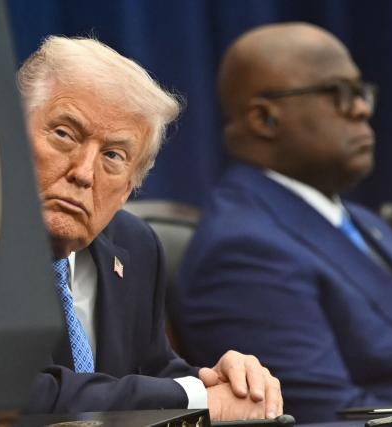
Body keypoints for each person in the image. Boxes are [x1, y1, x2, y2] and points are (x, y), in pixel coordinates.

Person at [171, 23, 392, 423]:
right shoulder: (243, 250)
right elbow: (331, 418)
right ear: (264, 119)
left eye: (361, 93)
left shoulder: (363, 222)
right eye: (337, 93)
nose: (360, 109)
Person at [16, 36, 283, 421]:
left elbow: (153, 370)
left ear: (130, 186)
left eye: (113, 156)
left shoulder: (135, 244)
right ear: (10, 134)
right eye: (65, 134)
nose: (84, 173)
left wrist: (220, 385)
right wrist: (196, 396)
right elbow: (26, 396)